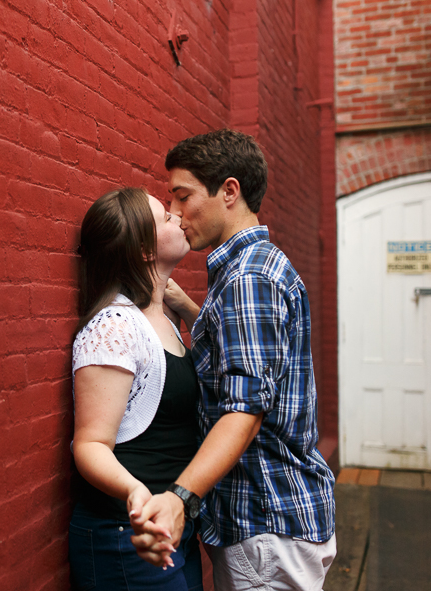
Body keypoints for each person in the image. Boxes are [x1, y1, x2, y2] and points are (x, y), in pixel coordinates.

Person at [129, 130, 336, 591]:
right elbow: (242, 356)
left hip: (265, 520)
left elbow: (245, 406)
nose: (176, 214)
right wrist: (184, 305)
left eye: (182, 197)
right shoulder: (259, 266)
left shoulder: (246, 280)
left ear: (229, 191)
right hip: (277, 517)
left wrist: (181, 496)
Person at [69, 187, 204, 591]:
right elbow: (90, 444)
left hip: (173, 527)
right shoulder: (114, 326)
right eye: (165, 217)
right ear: (145, 250)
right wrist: (135, 491)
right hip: (127, 538)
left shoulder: (161, 318)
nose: (178, 218)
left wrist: (178, 301)